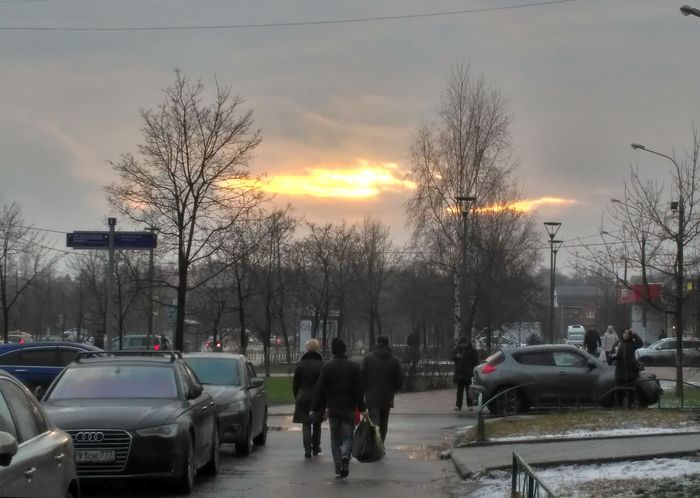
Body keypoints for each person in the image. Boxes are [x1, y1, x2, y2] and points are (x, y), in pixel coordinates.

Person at [311, 337, 366, 478]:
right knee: (348, 435)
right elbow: (358, 390)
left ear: (333, 351)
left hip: (333, 408)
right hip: (348, 407)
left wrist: (316, 408)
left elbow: (320, 389)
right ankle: (346, 455)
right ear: (345, 350)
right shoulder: (354, 367)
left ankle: (338, 465)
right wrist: (362, 408)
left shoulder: (327, 367)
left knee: (335, 438)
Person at [361, 335, 404, 443]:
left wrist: (364, 390)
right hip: (387, 396)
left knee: (374, 420)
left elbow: (361, 376)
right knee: (384, 421)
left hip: (371, 396)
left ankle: (375, 445)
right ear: (387, 344)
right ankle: (380, 444)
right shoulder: (395, 360)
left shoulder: (368, 358)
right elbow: (399, 380)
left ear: (377, 343)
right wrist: (393, 389)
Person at [292, 338, 324, 458]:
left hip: (303, 396)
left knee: (305, 424)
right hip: (317, 397)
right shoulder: (321, 364)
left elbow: (295, 384)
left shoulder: (300, 365)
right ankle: (316, 447)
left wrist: (297, 396)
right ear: (317, 348)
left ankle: (307, 450)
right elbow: (323, 383)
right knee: (317, 423)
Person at [614, 327, 644, 407]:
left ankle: (630, 404)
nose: (626, 335)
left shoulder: (633, 344)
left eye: (628, 333)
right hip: (620, 372)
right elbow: (612, 353)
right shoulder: (618, 343)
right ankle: (619, 405)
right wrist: (613, 357)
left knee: (631, 390)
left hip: (631, 372)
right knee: (618, 390)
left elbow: (641, 343)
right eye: (624, 333)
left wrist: (635, 334)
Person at [451, 337, 479, 411]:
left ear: (466, 343)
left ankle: (470, 405)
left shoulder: (471, 350)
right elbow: (451, 357)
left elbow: (476, 360)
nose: (462, 345)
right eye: (460, 344)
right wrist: (456, 356)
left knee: (469, 391)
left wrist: (473, 368)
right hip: (459, 374)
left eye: (463, 344)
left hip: (468, 374)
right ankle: (458, 405)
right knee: (459, 391)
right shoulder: (457, 349)